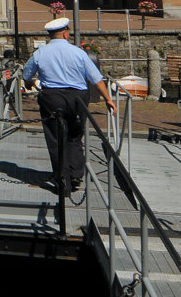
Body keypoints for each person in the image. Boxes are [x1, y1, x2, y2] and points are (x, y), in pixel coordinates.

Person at [21, 17, 116, 196]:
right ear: (65, 33)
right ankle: (75, 174)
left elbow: (27, 73)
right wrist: (108, 99)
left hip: (52, 98)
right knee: (75, 134)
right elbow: (96, 79)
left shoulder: (41, 53)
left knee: (56, 138)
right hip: (77, 98)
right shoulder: (78, 53)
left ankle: (62, 179)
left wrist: (27, 84)